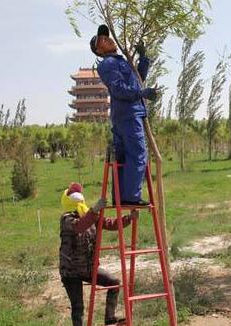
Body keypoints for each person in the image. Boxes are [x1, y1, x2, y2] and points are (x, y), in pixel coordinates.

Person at [90, 24, 158, 206]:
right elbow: (119, 89)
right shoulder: (108, 64)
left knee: (123, 157)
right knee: (138, 153)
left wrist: (143, 58)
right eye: (102, 39)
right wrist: (141, 94)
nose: (108, 38)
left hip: (127, 113)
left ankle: (121, 196)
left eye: (107, 36)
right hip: (128, 113)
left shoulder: (120, 62)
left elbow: (138, 79)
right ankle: (131, 197)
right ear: (99, 50)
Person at [59, 182, 137, 326]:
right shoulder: (66, 219)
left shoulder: (88, 214)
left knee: (114, 283)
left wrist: (128, 218)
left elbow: (109, 223)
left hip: (88, 267)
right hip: (70, 271)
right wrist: (93, 211)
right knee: (78, 307)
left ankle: (110, 318)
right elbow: (79, 226)